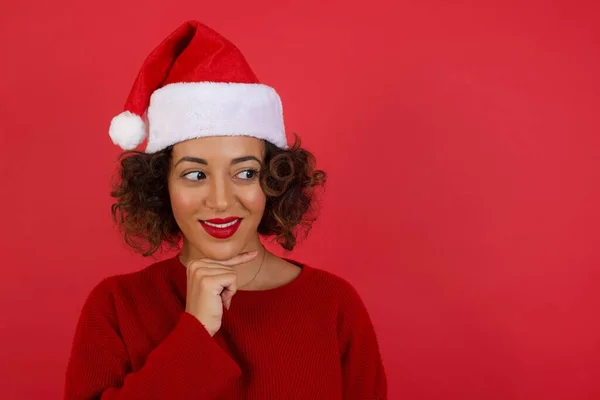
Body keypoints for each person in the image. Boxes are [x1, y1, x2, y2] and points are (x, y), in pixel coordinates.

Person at [64, 20, 387, 400]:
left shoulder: (333, 305)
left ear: (275, 180)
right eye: (195, 174)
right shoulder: (116, 307)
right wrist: (195, 331)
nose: (220, 200)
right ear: (159, 184)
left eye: (245, 173)